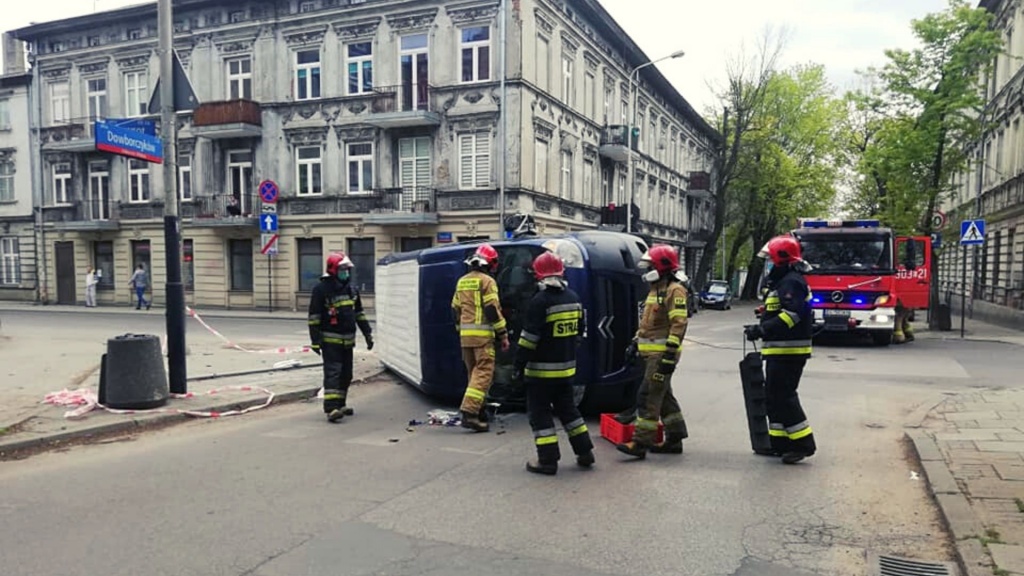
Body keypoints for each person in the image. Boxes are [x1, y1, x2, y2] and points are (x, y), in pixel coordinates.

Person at [513, 251, 595, 475]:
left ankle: (548, 461)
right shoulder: (574, 298)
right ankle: (585, 452)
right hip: (566, 370)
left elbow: (529, 340)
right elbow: (580, 334)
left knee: (540, 416)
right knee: (569, 412)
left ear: (538, 276)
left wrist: (518, 367)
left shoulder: (539, 302)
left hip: (540, 374)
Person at [743, 235, 817, 464]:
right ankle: (780, 443)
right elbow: (782, 308)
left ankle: (803, 444)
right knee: (772, 397)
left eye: (771, 260)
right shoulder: (785, 281)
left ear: (782, 259)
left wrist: (763, 329)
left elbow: (793, 315)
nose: (770, 264)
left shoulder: (791, 282)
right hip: (779, 351)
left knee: (784, 397)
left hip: (789, 352)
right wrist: (765, 312)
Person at [617, 244, 690, 459]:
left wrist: (669, 353)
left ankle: (640, 443)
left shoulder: (674, 290)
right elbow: (648, 324)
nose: (646, 269)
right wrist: (634, 342)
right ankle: (675, 438)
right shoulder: (655, 289)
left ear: (662, 266)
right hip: (650, 354)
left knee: (648, 396)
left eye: (650, 265)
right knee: (664, 395)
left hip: (661, 356)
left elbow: (679, 323)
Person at [308, 252, 373, 423]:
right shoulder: (321, 289)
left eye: (347, 269)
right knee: (333, 374)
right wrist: (315, 341)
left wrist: (367, 333)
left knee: (346, 374)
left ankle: (341, 404)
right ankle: (331, 409)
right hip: (330, 341)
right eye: (343, 269)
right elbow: (314, 317)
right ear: (333, 269)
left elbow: (359, 314)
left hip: (348, 341)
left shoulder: (352, 289)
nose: (346, 272)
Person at [451, 243, 510, 432]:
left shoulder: (462, 281)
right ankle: (469, 413)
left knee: (474, 375)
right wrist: (503, 335)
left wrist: (460, 329)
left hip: (465, 336)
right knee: (484, 373)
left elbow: (455, 309)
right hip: (483, 336)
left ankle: (480, 410)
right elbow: (492, 309)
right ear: (490, 263)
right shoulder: (487, 281)